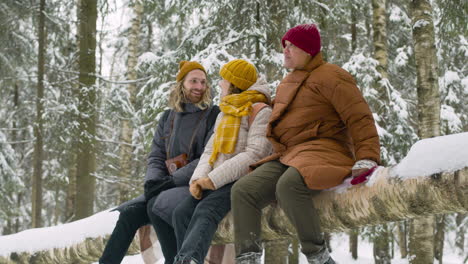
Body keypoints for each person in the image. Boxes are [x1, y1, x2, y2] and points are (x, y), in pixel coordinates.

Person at [231, 24, 381, 264]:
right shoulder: (287, 82)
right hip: (289, 155)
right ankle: (247, 257)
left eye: (293, 46)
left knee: (289, 185)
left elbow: (359, 116)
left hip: (326, 149)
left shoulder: (332, 75)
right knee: (244, 189)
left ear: (309, 50)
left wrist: (368, 156)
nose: (286, 50)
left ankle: (318, 256)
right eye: (285, 45)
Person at [99, 61, 220, 264]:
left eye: (203, 82)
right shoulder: (168, 117)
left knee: (158, 205)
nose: (199, 87)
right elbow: (156, 155)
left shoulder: (213, 115)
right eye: (193, 81)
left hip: (195, 184)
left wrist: (172, 181)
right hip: (166, 185)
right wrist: (153, 181)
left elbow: (207, 158)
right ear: (181, 84)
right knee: (128, 214)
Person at [170, 59, 273, 264]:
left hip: (241, 180)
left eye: (223, 80)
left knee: (206, 211)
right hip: (214, 179)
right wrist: (198, 179)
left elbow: (254, 155)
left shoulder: (261, 111)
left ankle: (188, 260)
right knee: (180, 213)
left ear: (234, 83)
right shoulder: (225, 111)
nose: (218, 84)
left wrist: (213, 180)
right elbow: (210, 150)